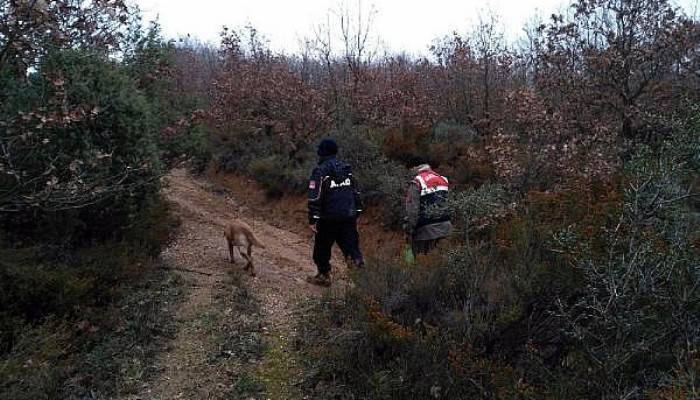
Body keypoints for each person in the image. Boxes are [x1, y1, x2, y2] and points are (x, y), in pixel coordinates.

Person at [306, 138, 364, 286]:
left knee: (321, 250)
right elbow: (355, 192)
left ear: (321, 153)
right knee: (352, 250)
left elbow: (314, 196)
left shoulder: (319, 172)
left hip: (328, 219)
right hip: (348, 217)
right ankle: (364, 284)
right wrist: (357, 212)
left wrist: (313, 219)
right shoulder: (347, 169)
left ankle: (324, 275)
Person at [405, 158, 452, 255]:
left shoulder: (417, 182)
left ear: (415, 168)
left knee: (425, 265)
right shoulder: (443, 179)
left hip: (426, 233)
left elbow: (412, 211)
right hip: (446, 229)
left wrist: (409, 230)